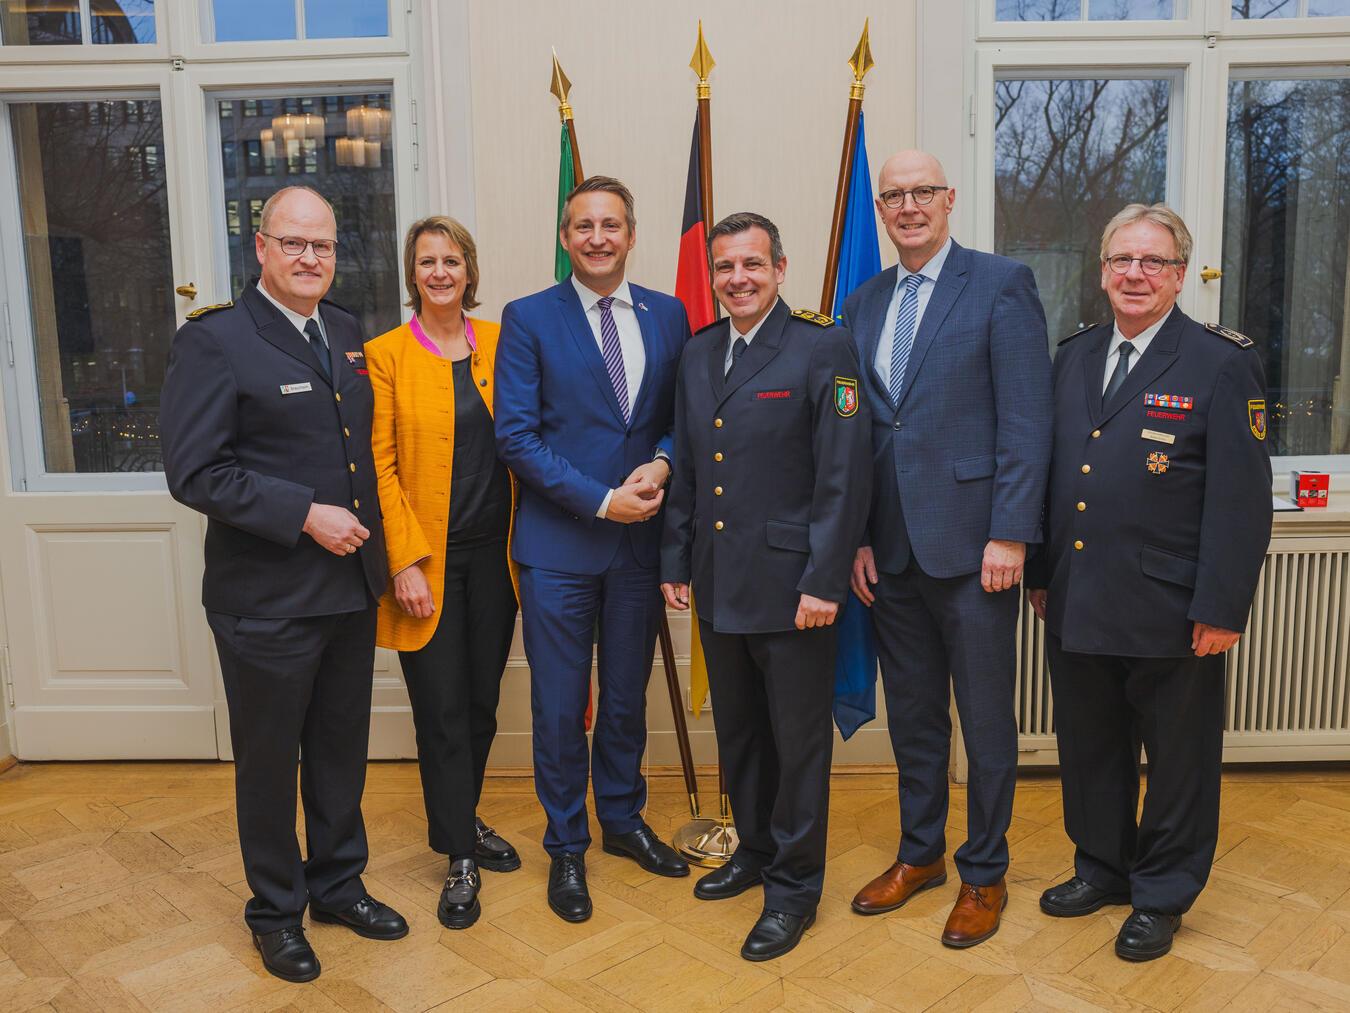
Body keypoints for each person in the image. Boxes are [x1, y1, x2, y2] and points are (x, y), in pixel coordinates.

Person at [161, 185, 407, 983]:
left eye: (324, 245)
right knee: (270, 763)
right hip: (264, 599)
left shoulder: (340, 329)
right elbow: (196, 471)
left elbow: (353, 449)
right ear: (260, 248)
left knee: (339, 752)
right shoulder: (217, 340)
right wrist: (305, 514)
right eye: (295, 243)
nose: (311, 258)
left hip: (345, 588)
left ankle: (338, 884)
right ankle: (275, 910)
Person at [1025, 204, 1271, 961]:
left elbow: (1241, 501)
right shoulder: (1073, 354)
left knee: (1178, 758)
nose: (1135, 274)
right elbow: (1051, 473)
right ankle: (1103, 866)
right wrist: (1040, 573)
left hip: (1174, 607)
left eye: (1154, 263)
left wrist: (1223, 605)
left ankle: (1162, 892)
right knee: (1090, 745)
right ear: (1102, 271)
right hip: (1077, 595)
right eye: (1122, 260)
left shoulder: (1221, 362)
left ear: (1178, 276)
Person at [844, 150, 1052, 948]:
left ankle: (985, 871)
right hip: (891, 553)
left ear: (949, 199)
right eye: (893, 195)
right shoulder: (862, 303)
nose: (907, 205)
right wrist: (859, 535)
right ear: (882, 209)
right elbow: (858, 430)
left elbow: (1028, 421)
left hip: (976, 550)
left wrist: (1011, 531)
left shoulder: (1001, 285)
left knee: (987, 722)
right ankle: (920, 853)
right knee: (917, 720)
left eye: (921, 191)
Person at [661, 212, 872, 962]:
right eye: (725, 267)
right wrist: (673, 562)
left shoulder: (823, 347)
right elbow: (688, 466)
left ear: (780, 267)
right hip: (720, 584)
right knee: (741, 733)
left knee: (798, 744)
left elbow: (844, 477)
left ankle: (793, 887)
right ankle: (752, 849)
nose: (738, 279)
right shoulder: (698, 353)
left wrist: (824, 580)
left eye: (752, 264)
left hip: (795, 591)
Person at [494, 175, 692, 922]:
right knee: (556, 704)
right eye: (583, 226)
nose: (598, 237)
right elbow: (515, 435)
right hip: (559, 547)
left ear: (631, 234)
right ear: (566, 237)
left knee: (625, 701)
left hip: (639, 548)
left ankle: (622, 820)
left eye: (611, 224)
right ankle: (566, 844)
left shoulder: (669, 314)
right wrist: (602, 499)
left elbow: (685, 416)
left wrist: (667, 463)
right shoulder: (529, 318)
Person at [365, 216, 520, 931]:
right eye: (425, 261)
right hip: (427, 566)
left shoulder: (501, 343)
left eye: (450, 259)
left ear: (469, 269)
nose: (438, 272)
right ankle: (458, 852)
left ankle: (465, 813)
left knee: (482, 703)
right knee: (441, 711)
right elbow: (380, 468)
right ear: (412, 273)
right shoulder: (386, 355)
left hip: (499, 559)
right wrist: (405, 560)